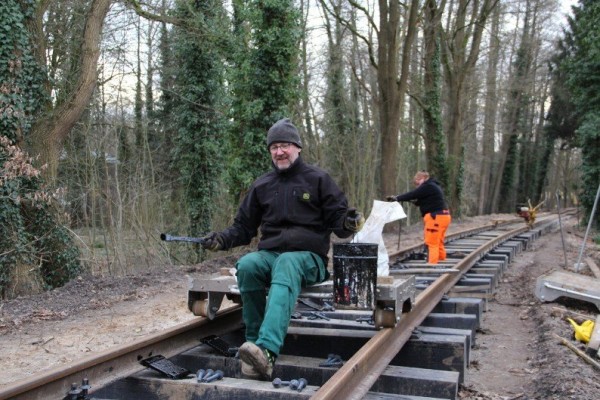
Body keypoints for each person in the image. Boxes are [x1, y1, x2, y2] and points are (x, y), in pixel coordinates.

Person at [201, 118, 364, 380]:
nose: (279, 151)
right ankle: (252, 347)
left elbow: (340, 225)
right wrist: (220, 239)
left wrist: (349, 222)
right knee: (249, 265)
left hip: (309, 260)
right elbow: (243, 228)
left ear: (297, 147)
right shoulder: (262, 185)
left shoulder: (319, 180)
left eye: (285, 145)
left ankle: (266, 351)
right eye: (274, 147)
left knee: (287, 262)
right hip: (271, 255)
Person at [386, 170, 451, 264]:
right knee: (438, 241)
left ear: (423, 178)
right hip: (444, 216)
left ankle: (431, 266)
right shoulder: (433, 186)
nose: (417, 186)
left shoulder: (428, 186)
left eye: (418, 183)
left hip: (435, 217)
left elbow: (413, 194)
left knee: (431, 243)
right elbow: (421, 200)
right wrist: (411, 201)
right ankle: (441, 261)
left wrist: (397, 198)